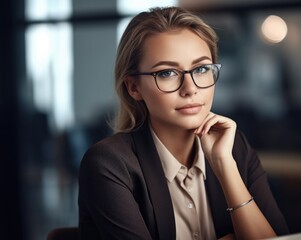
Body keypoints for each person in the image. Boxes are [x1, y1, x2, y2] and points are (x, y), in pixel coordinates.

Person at [78, 6, 289, 240]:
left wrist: (224, 165)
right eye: (167, 73)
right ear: (134, 87)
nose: (190, 89)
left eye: (200, 69)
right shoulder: (109, 164)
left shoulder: (233, 147)